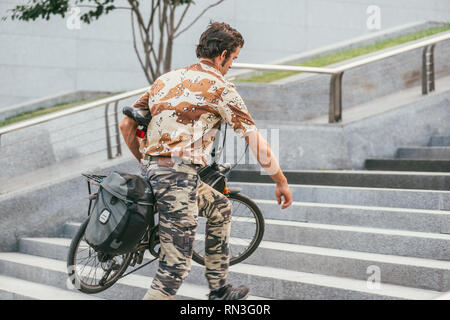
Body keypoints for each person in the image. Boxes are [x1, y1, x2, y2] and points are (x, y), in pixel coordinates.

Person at [119, 21, 292, 300]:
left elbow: (126, 124)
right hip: (178, 176)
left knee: (221, 207)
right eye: (233, 58)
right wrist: (281, 182)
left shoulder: (166, 79)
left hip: (157, 170)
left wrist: (146, 162)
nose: (232, 65)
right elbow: (254, 139)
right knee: (174, 268)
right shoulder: (222, 88)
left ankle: (219, 288)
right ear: (222, 55)